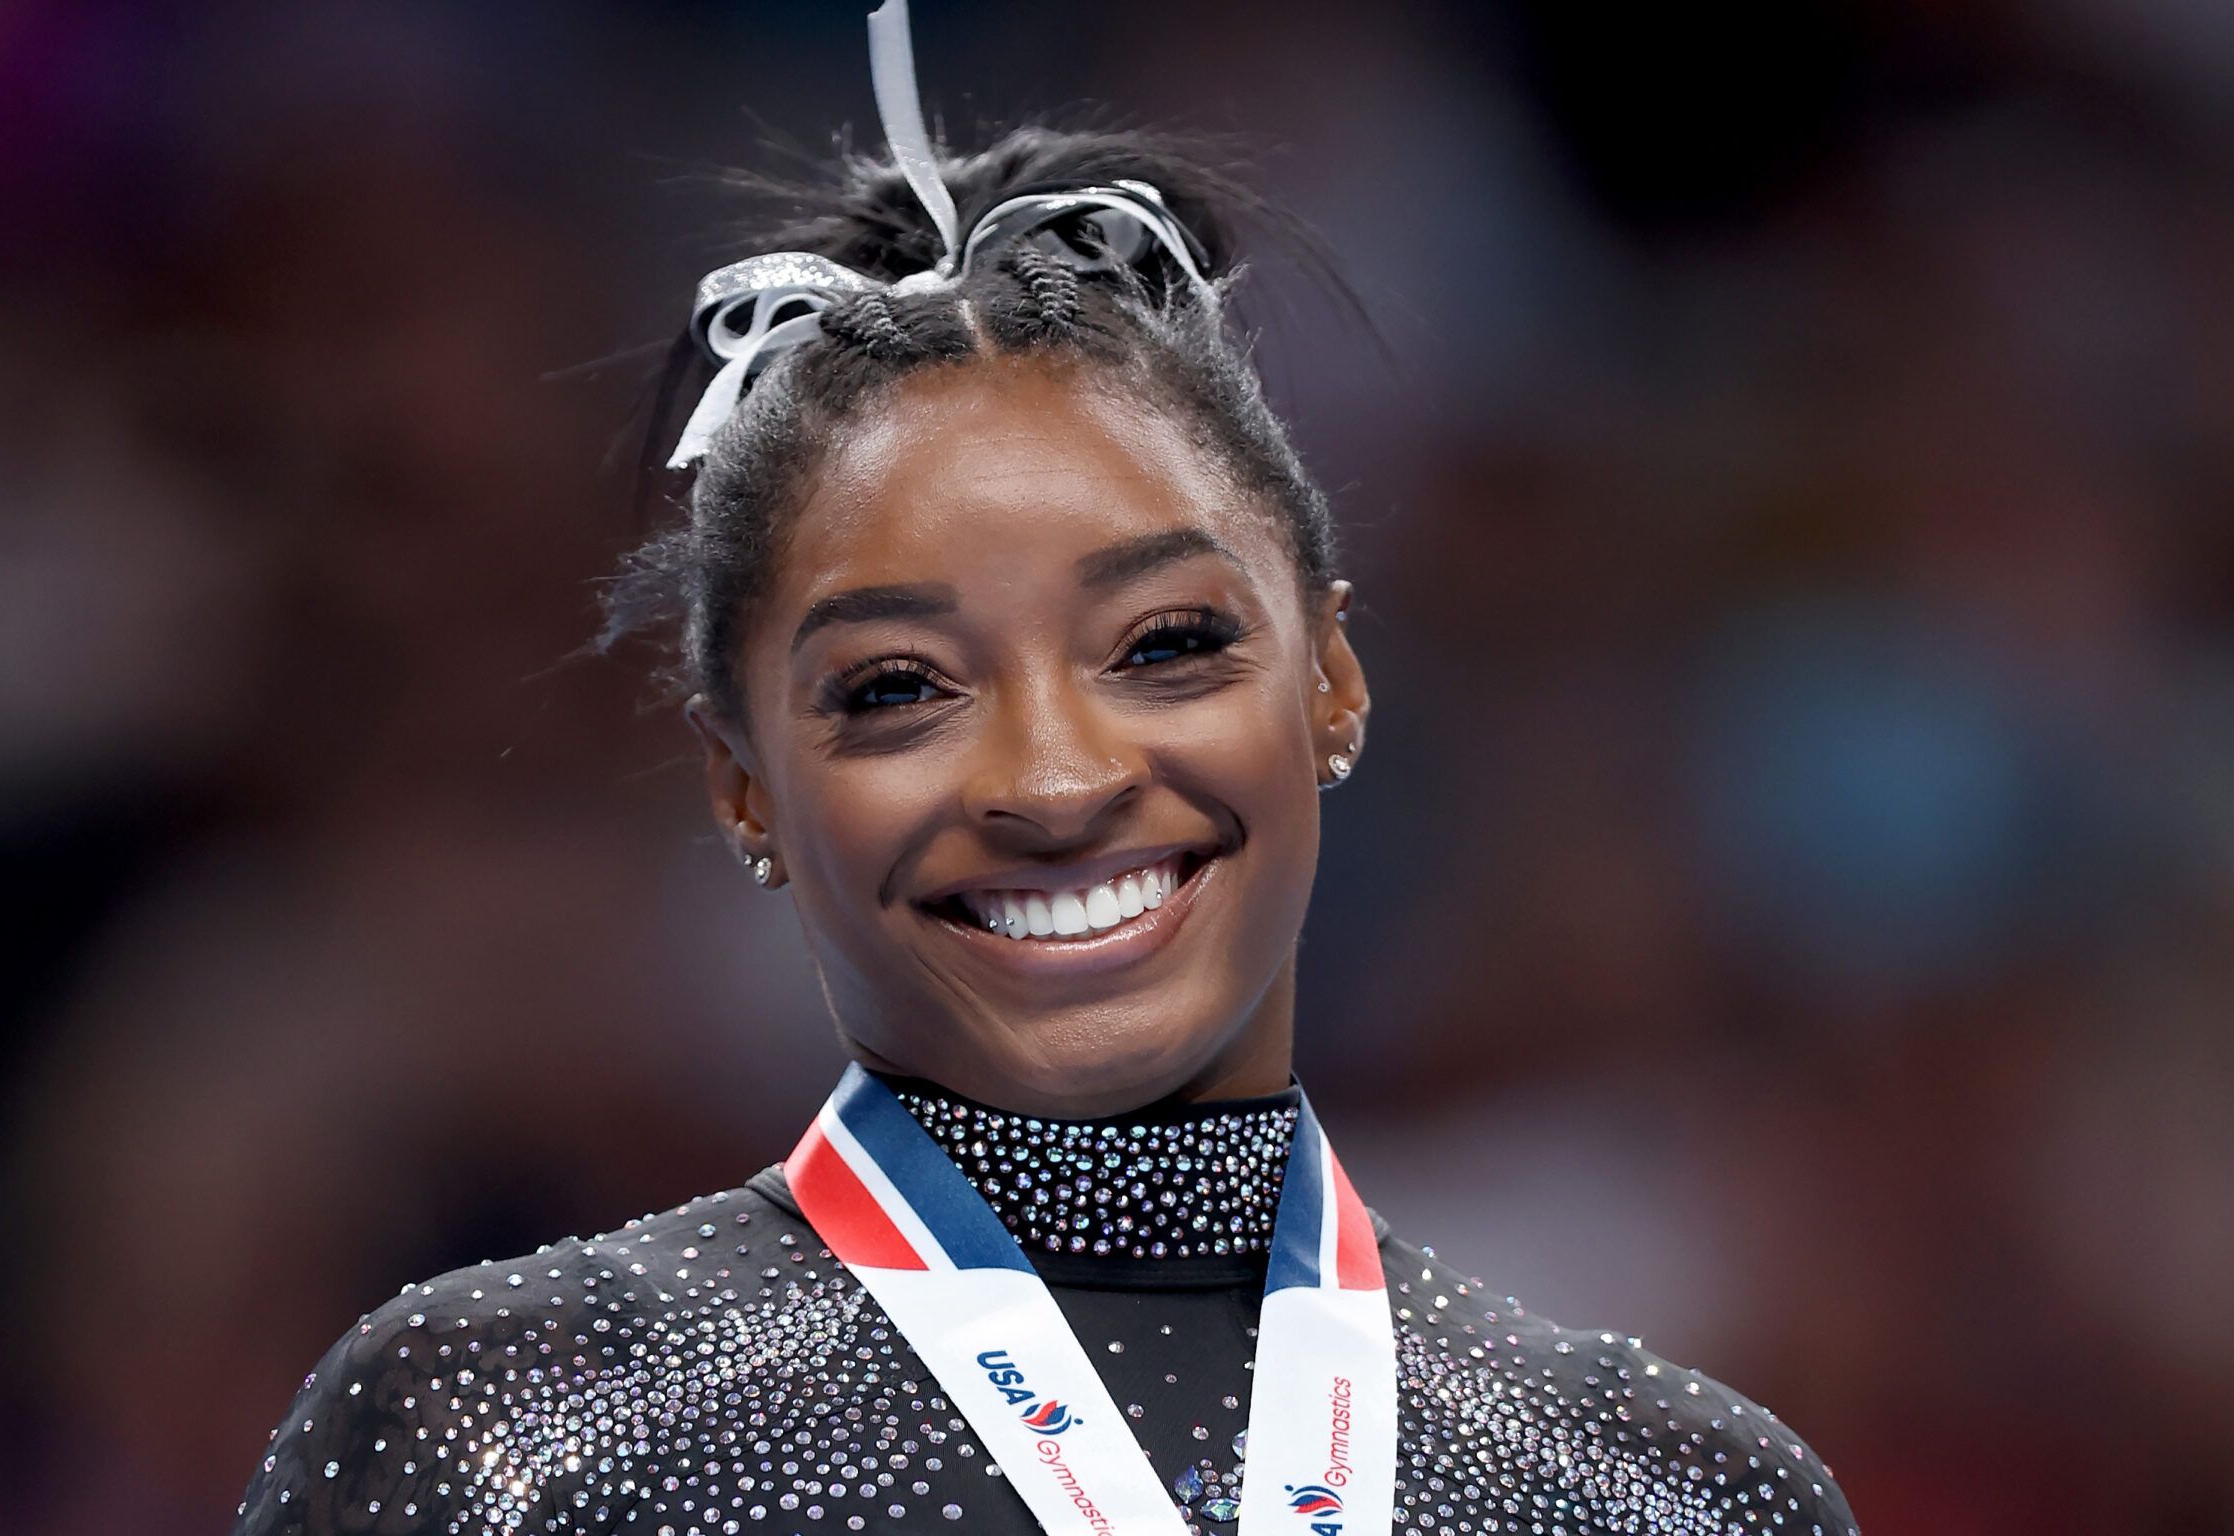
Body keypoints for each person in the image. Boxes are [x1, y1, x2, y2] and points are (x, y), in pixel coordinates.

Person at [231, 5, 1857, 1533]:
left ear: (1333, 682)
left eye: (1162, 645)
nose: (1058, 779)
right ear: (740, 787)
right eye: (897, 684)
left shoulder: (1659, 1488)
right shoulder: (519, 1437)